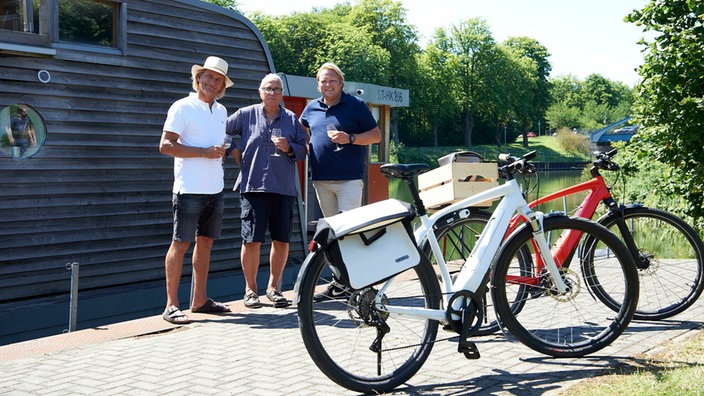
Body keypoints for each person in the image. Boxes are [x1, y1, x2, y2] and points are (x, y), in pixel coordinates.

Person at [158, 56, 234, 324]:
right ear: (198, 78)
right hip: (188, 189)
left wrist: (218, 153)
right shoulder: (182, 106)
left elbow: (214, 146)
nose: (211, 82)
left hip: (215, 187)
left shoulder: (222, 111)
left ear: (222, 85)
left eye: (217, 79)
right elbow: (165, 146)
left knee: (205, 244)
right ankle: (171, 306)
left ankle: (199, 301)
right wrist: (204, 152)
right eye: (208, 77)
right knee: (180, 244)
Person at [299, 62, 381, 301]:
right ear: (318, 84)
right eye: (323, 81)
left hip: (349, 181)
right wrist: (306, 147)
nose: (327, 85)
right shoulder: (311, 108)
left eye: (332, 81)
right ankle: (340, 283)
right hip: (321, 180)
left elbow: (375, 136)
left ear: (341, 83)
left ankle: (361, 283)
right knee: (331, 236)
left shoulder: (355, 105)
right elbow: (303, 132)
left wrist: (351, 138)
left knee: (350, 232)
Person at [226, 73, 307, 309]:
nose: (272, 93)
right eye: (268, 89)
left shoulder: (292, 119)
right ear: (260, 91)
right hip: (253, 186)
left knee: (281, 241)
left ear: (282, 94)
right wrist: (233, 150)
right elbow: (220, 130)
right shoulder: (245, 114)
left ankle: (274, 289)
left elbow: (303, 151)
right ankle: (250, 291)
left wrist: (289, 147)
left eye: (277, 89)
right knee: (251, 240)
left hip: (282, 188)